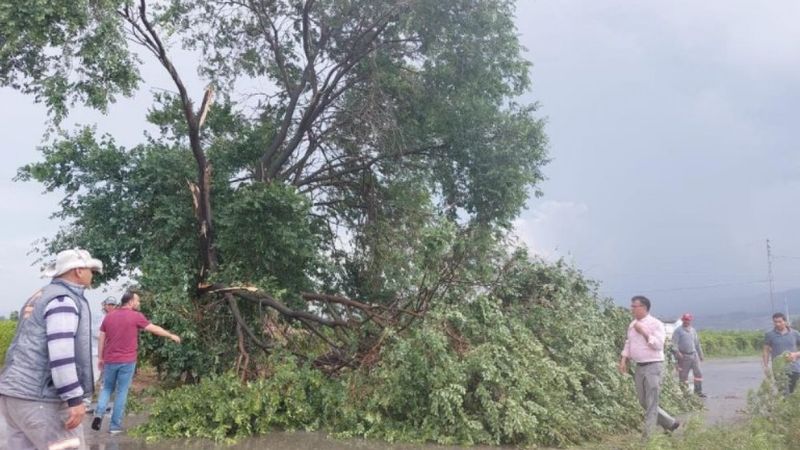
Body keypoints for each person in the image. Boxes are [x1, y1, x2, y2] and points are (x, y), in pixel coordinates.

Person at [0, 248, 103, 450]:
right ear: (78, 271)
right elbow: (61, 353)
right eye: (91, 270)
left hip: (14, 394)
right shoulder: (63, 300)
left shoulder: (40, 296)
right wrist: (74, 399)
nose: (92, 275)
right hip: (39, 398)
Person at [91, 290, 181, 434]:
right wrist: (170, 335)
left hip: (110, 360)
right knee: (121, 392)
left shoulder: (109, 316)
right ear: (131, 301)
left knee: (107, 388)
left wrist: (101, 358)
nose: (139, 303)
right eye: (138, 300)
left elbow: (102, 338)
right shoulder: (135, 316)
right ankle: (114, 426)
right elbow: (154, 329)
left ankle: (98, 414)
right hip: (127, 361)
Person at [618, 295, 680, 438]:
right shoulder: (632, 324)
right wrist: (623, 359)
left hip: (654, 365)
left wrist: (644, 332)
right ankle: (670, 423)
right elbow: (629, 342)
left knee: (651, 402)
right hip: (639, 366)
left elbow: (658, 345)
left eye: (634, 306)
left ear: (644, 307)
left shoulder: (656, 324)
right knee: (643, 401)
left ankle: (648, 437)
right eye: (632, 306)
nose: (632, 309)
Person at [763, 312, 800, 394]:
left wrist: (796, 354)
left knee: (794, 393)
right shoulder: (769, 335)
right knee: (783, 393)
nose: (777, 324)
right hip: (778, 369)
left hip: (794, 368)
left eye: (780, 321)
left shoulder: (795, 333)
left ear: (785, 321)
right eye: (775, 322)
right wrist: (766, 366)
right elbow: (766, 351)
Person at [672, 313, 706, 397]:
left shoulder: (693, 330)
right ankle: (685, 393)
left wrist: (701, 355)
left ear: (690, 320)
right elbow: (674, 344)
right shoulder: (678, 331)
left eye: (688, 320)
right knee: (683, 376)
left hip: (694, 355)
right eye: (685, 320)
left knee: (698, 373)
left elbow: (697, 344)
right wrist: (677, 353)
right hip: (683, 356)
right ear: (682, 320)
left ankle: (698, 391)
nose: (687, 321)